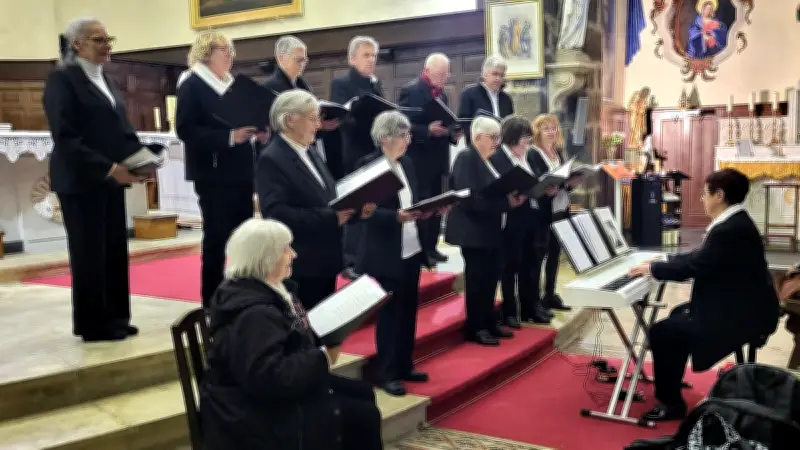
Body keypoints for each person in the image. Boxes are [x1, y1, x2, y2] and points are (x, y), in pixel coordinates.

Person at [201, 218, 383, 450]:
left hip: (263, 396)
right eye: (286, 249)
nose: (294, 254)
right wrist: (323, 357)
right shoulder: (254, 314)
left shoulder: (267, 290)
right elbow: (269, 377)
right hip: (250, 414)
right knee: (363, 416)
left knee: (363, 391)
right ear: (265, 258)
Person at [628, 168, 781, 421]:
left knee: (663, 332)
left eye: (704, 194)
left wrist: (654, 269)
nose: (702, 199)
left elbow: (696, 266)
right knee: (678, 315)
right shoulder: (736, 221)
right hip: (744, 306)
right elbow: (701, 257)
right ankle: (672, 379)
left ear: (719, 195)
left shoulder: (729, 230)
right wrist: (665, 260)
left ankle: (671, 404)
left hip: (741, 315)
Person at [44, 18, 145, 342]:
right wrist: (108, 167)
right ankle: (92, 324)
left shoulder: (107, 80)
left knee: (114, 248)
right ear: (77, 45)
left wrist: (142, 158)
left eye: (108, 39)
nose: (107, 45)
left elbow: (121, 130)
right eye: (99, 40)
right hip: (81, 180)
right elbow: (66, 137)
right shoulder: (63, 80)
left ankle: (116, 316)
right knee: (89, 252)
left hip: (110, 178)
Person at [256, 89, 375, 310]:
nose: (318, 125)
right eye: (312, 118)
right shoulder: (273, 158)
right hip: (302, 264)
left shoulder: (308, 150)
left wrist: (356, 210)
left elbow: (327, 196)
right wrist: (331, 218)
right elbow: (277, 214)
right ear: (291, 120)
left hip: (325, 259)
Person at [355, 111, 445, 396]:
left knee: (408, 311)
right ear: (384, 138)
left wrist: (431, 209)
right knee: (391, 315)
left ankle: (405, 364)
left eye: (408, 134)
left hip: (411, 248)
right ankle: (386, 372)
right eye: (403, 135)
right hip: (385, 251)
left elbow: (414, 202)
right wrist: (394, 217)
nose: (408, 140)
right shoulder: (369, 166)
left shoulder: (406, 162)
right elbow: (363, 212)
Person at [176, 31, 268, 307]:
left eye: (231, 51)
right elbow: (186, 129)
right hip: (212, 172)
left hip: (239, 169)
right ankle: (212, 300)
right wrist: (229, 137)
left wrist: (258, 131)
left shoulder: (231, 83)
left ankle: (241, 294)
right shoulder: (192, 83)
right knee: (217, 236)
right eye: (224, 50)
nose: (230, 56)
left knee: (242, 236)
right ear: (206, 52)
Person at [445, 116, 527, 346]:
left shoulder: (492, 160)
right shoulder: (466, 158)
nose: (497, 142)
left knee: (492, 277)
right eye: (493, 137)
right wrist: (505, 204)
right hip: (472, 232)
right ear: (478, 137)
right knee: (477, 280)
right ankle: (476, 327)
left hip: (492, 230)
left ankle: (489, 321)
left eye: (498, 137)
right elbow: (470, 200)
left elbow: (498, 189)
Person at [397, 53, 462, 266]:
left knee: (437, 204)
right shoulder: (411, 90)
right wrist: (426, 130)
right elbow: (402, 125)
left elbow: (444, 125)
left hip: (439, 159)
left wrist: (452, 133)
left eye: (446, 74)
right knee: (424, 206)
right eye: (440, 73)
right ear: (427, 71)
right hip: (419, 161)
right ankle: (423, 251)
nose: (444, 78)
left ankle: (433, 248)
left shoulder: (442, 95)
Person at [330, 36, 385, 277]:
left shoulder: (375, 84)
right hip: (354, 151)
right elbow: (342, 120)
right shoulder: (341, 84)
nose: (372, 60)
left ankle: (368, 254)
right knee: (354, 204)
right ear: (352, 58)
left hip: (375, 150)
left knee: (372, 203)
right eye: (366, 55)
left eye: (374, 55)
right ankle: (349, 260)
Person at [490, 116, 550, 327]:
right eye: (525, 138)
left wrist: (545, 188)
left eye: (528, 139)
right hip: (512, 219)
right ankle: (509, 310)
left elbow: (538, 178)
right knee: (510, 266)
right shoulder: (499, 159)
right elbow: (496, 189)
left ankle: (530, 307)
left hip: (532, 216)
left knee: (531, 264)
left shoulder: (529, 156)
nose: (527, 143)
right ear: (512, 138)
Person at [263, 35, 344, 180]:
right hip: (285, 153)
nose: (303, 64)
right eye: (299, 59)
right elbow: (277, 125)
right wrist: (318, 125)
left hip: (305, 147)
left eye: (305, 60)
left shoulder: (302, 84)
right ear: (282, 58)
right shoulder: (270, 87)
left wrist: (320, 122)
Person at [528, 114, 581, 313]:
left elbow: (562, 181)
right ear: (537, 132)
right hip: (543, 212)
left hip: (561, 208)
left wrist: (570, 185)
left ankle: (550, 293)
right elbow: (536, 184)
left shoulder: (557, 151)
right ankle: (536, 299)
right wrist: (552, 188)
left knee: (555, 254)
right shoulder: (534, 154)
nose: (552, 132)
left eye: (554, 128)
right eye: (546, 128)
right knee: (540, 255)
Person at [457, 56, 515, 146]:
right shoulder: (469, 94)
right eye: (495, 74)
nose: (498, 78)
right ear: (484, 74)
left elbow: (510, 124)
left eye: (501, 75)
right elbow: (464, 123)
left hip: (502, 148)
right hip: (479, 148)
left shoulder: (506, 99)